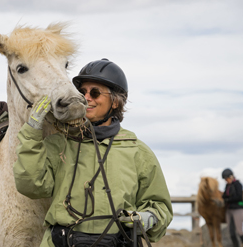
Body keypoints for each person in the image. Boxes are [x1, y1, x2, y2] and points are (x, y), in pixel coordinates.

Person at [14, 58, 173, 247]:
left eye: (95, 93)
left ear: (115, 102)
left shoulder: (137, 151)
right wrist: (32, 132)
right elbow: (31, 186)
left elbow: (160, 206)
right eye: (82, 92)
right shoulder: (58, 144)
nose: (87, 98)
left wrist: (149, 217)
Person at [222, 168, 243, 247]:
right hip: (229, 210)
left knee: (239, 231)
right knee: (231, 233)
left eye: (227, 179)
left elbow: (239, 197)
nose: (226, 180)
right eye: (225, 179)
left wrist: (228, 199)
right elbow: (224, 195)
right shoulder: (227, 186)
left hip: (238, 210)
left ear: (231, 176)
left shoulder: (238, 184)